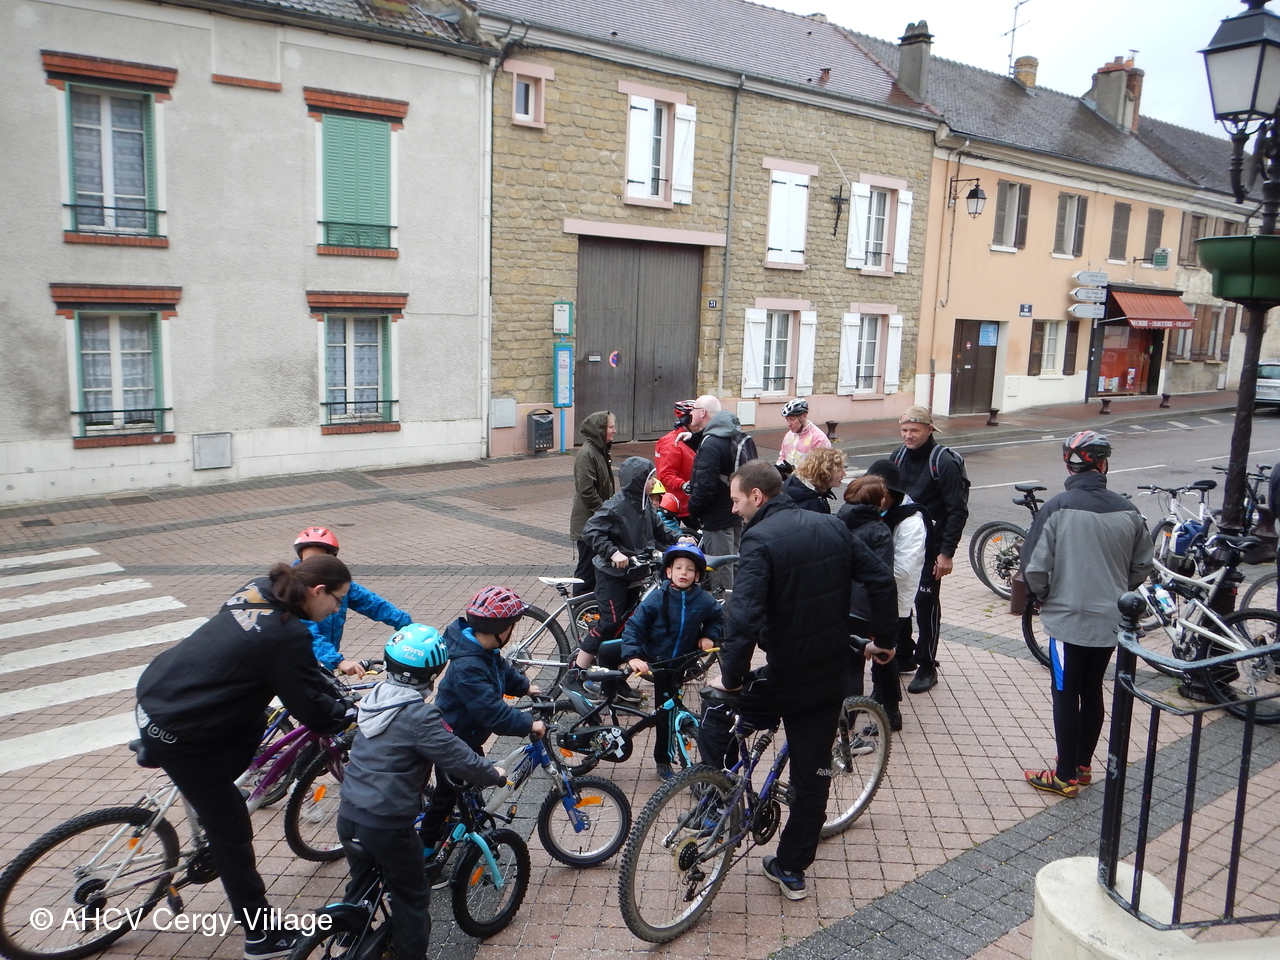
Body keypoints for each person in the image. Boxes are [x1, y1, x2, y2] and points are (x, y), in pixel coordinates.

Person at [135, 556, 353, 959]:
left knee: (253, 714)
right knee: (231, 828)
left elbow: (282, 666)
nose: (338, 610)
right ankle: (261, 936)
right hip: (179, 730)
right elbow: (316, 713)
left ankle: (213, 788)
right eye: (338, 601)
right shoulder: (286, 635)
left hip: (158, 693)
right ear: (318, 591)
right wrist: (348, 713)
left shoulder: (257, 589)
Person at [698, 460, 897, 900]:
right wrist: (884, 640)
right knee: (815, 773)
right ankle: (790, 868)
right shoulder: (833, 526)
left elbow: (744, 617)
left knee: (714, 710)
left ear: (757, 496)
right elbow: (881, 579)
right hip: (828, 678)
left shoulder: (760, 539)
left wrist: (732, 677)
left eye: (736, 500)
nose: (733, 510)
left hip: (784, 678)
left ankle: (719, 798)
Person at [337, 625, 505, 960]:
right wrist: (493, 774)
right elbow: (458, 757)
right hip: (387, 824)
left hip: (349, 814)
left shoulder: (374, 699)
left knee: (362, 881)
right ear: (433, 674)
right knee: (412, 898)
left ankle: (346, 936)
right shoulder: (420, 715)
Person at [1019, 431, 1152, 798]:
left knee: (1065, 692)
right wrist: (1117, 590)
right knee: (1092, 690)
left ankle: (1064, 776)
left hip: (1068, 619)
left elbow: (1033, 567)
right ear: (1103, 464)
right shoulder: (1128, 510)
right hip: (1111, 618)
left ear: (1069, 465)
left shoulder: (1057, 507)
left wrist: (1044, 596)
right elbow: (1142, 565)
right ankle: (1081, 764)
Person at [420, 587, 546, 856]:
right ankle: (425, 847)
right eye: (512, 626)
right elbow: (493, 713)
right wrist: (528, 724)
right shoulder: (467, 666)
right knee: (446, 796)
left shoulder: (485, 649)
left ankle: (471, 821)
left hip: (468, 736)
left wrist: (524, 686)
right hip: (452, 741)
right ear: (502, 630)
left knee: (471, 784)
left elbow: (502, 671)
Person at [565, 457, 683, 700]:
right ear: (638, 481)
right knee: (609, 623)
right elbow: (591, 530)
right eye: (650, 477)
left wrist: (679, 539)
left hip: (633, 574)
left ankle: (615, 681)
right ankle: (575, 673)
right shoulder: (616, 506)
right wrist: (613, 553)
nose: (655, 481)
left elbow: (660, 531)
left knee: (627, 626)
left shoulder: (645, 505)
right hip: (612, 575)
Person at [620, 543, 725, 779]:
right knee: (665, 715)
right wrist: (633, 656)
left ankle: (671, 746)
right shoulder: (657, 598)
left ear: (697, 576)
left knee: (670, 709)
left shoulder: (703, 600)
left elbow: (717, 617)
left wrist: (709, 635)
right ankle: (663, 760)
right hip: (658, 662)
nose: (683, 573)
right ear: (668, 572)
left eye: (690, 569)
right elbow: (634, 627)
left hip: (681, 663)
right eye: (678, 568)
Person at [889, 405, 970, 694]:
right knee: (899, 598)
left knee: (925, 605)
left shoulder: (943, 462)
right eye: (904, 430)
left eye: (915, 430)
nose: (908, 435)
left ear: (929, 429)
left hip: (932, 547)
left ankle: (927, 665)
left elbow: (957, 510)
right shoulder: (897, 456)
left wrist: (946, 553)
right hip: (903, 543)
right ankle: (904, 654)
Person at [863, 459, 930, 730]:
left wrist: (863, 566)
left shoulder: (911, 521)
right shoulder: (880, 513)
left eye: (878, 494)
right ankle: (879, 697)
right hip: (875, 595)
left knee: (884, 654)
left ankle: (890, 713)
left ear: (890, 494)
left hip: (895, 599)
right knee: (879, 654)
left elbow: (902, 571)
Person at [292, 526, 413, 676]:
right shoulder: (296, 591)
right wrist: (338, 661)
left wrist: (405, 624)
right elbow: (307, 634)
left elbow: (371, 603)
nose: (314, 570)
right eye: (308, 562)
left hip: (326, 666)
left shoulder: (339, 583)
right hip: (302, 666)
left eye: (320, 562)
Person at [838, 474, 902, 730]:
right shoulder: (879, 530)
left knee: (843, 666)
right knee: (860, 666)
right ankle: (851, 730)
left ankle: (841, 724)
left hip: (838, 602)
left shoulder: (836, 523)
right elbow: (881, 575)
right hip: (864, 608)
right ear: (880, 501)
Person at [687, 395, 748, 591]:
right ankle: (738, 602)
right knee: (734, 562)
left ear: (703, 412)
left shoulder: (711, 444)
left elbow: (705, 486)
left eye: (694, 409)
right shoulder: (731, 435)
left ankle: (724, 608)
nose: (690, 413)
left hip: (716, 518)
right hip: (734, 511)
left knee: (721, 571)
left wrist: (692, 508)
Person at [570, 410, 616, 596]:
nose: (614, 431)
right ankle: (579, 606)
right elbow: (587, 491)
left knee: (595, 570)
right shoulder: (587, 453)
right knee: (586, 571)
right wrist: (604, 513)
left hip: (596, 522)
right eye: (611, 427)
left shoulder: (600, 451)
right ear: (600, 430)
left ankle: (590, 606)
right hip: (589, 525)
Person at [654, 400, 698, 519]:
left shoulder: (692, 439)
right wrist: (683, 485)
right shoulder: (673, 443)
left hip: (689, 501)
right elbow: (665, 474)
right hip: (678, 504)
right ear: (688, 420)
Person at [776, 398, 831, 475]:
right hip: (789, 481)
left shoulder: (818, 438)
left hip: (809, 481)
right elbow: (782, 457)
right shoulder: (788, 436)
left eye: (792, 419)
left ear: (804, 416)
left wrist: (794, 470)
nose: (789, 424)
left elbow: (820, 468)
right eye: (787, 420)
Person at [783, 448, 846, 514]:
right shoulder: (813, 503)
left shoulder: (795, 485)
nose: (844, 474)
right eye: (839, 470)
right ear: (824, 473)